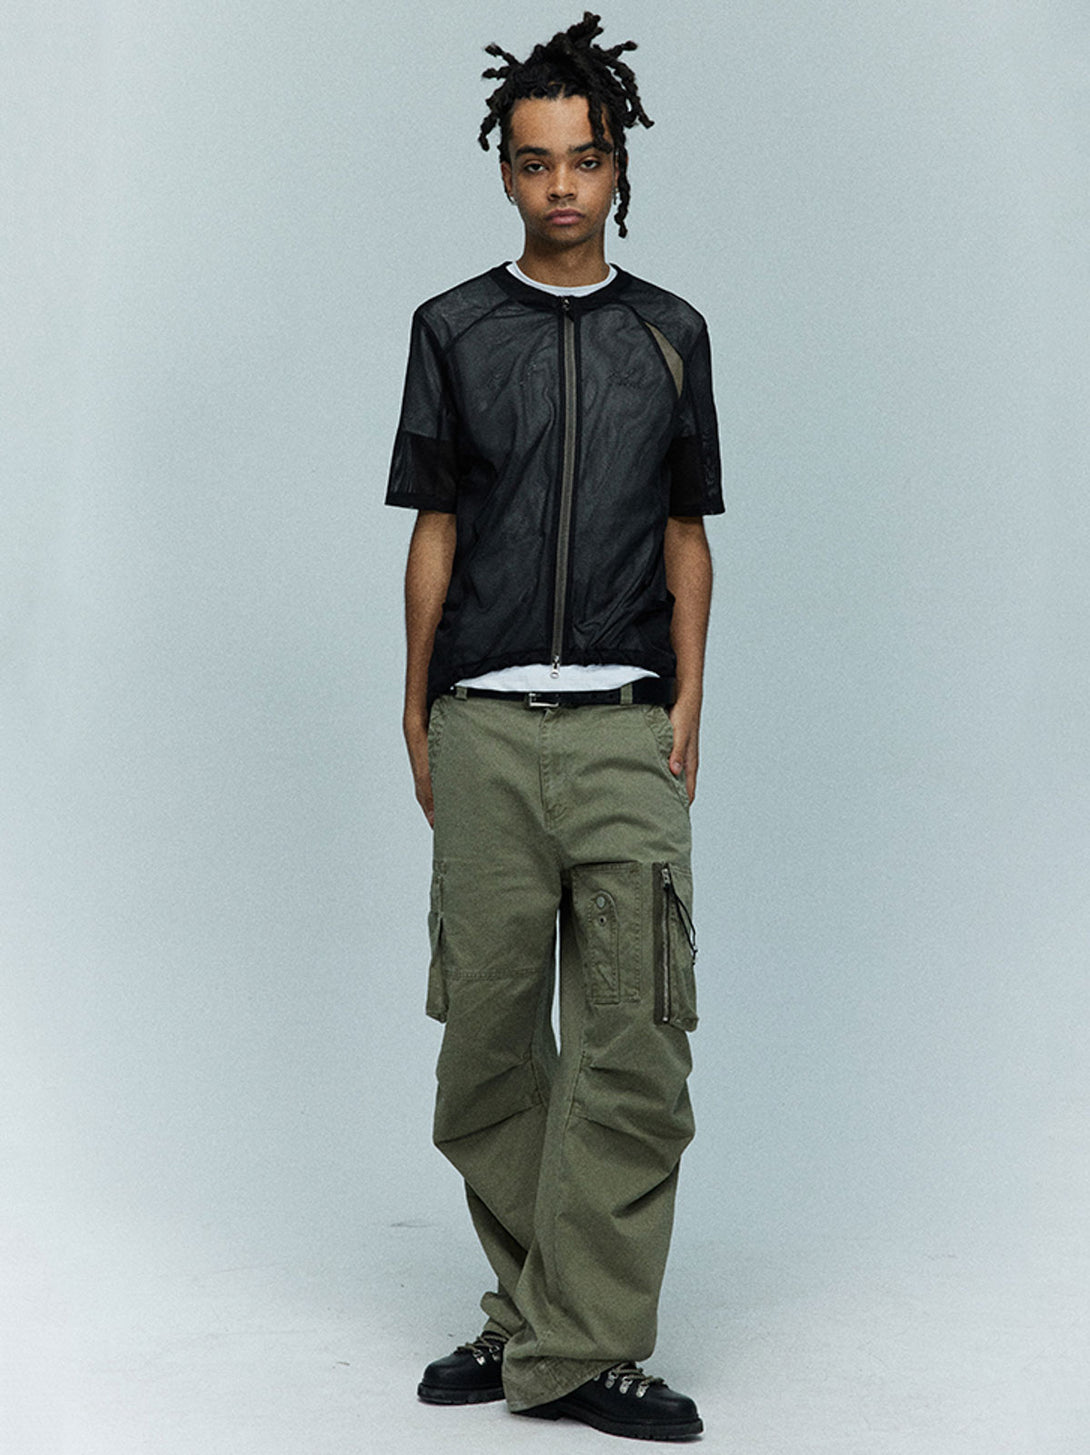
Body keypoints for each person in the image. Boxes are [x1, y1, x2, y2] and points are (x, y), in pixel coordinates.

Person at [385, 12, 723, 1442]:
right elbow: (434, 532)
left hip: (623, 736)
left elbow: (686, 536)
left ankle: (578, 1345)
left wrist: (689, 701)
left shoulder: (671, 335)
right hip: (481, 727)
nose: (561, 187)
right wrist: (415, 710)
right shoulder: (453, 331)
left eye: (584, 160)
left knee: (635, 1047)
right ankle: (542, 1320)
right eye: (535, 164)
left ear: (617, 166)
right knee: (486, 1054)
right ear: (506, 174)